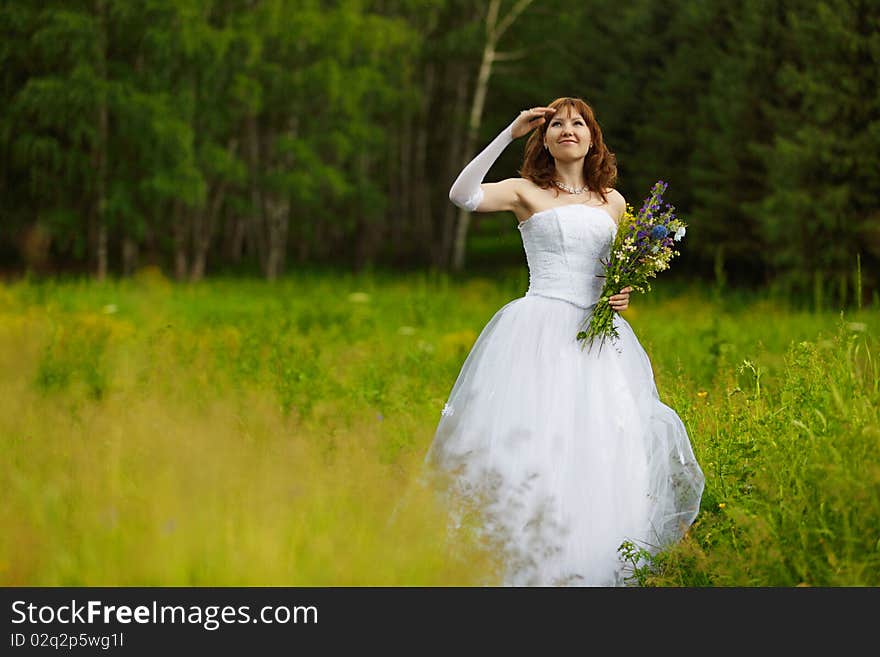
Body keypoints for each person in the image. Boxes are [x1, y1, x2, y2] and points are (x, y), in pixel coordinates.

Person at [424, 97, 704, 586]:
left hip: (599, 342)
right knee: (537, 445)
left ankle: (596, 567)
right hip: (538, 331)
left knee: (606, 445)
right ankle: (526, 569)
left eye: (578, 123)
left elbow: (616, 272)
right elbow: (461, 194)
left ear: (593, 139)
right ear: (545, 138)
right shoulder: (524, 191)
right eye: (557, 123)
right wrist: (507, 133)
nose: (567, 129)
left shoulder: (613, 203)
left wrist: (623, 291)